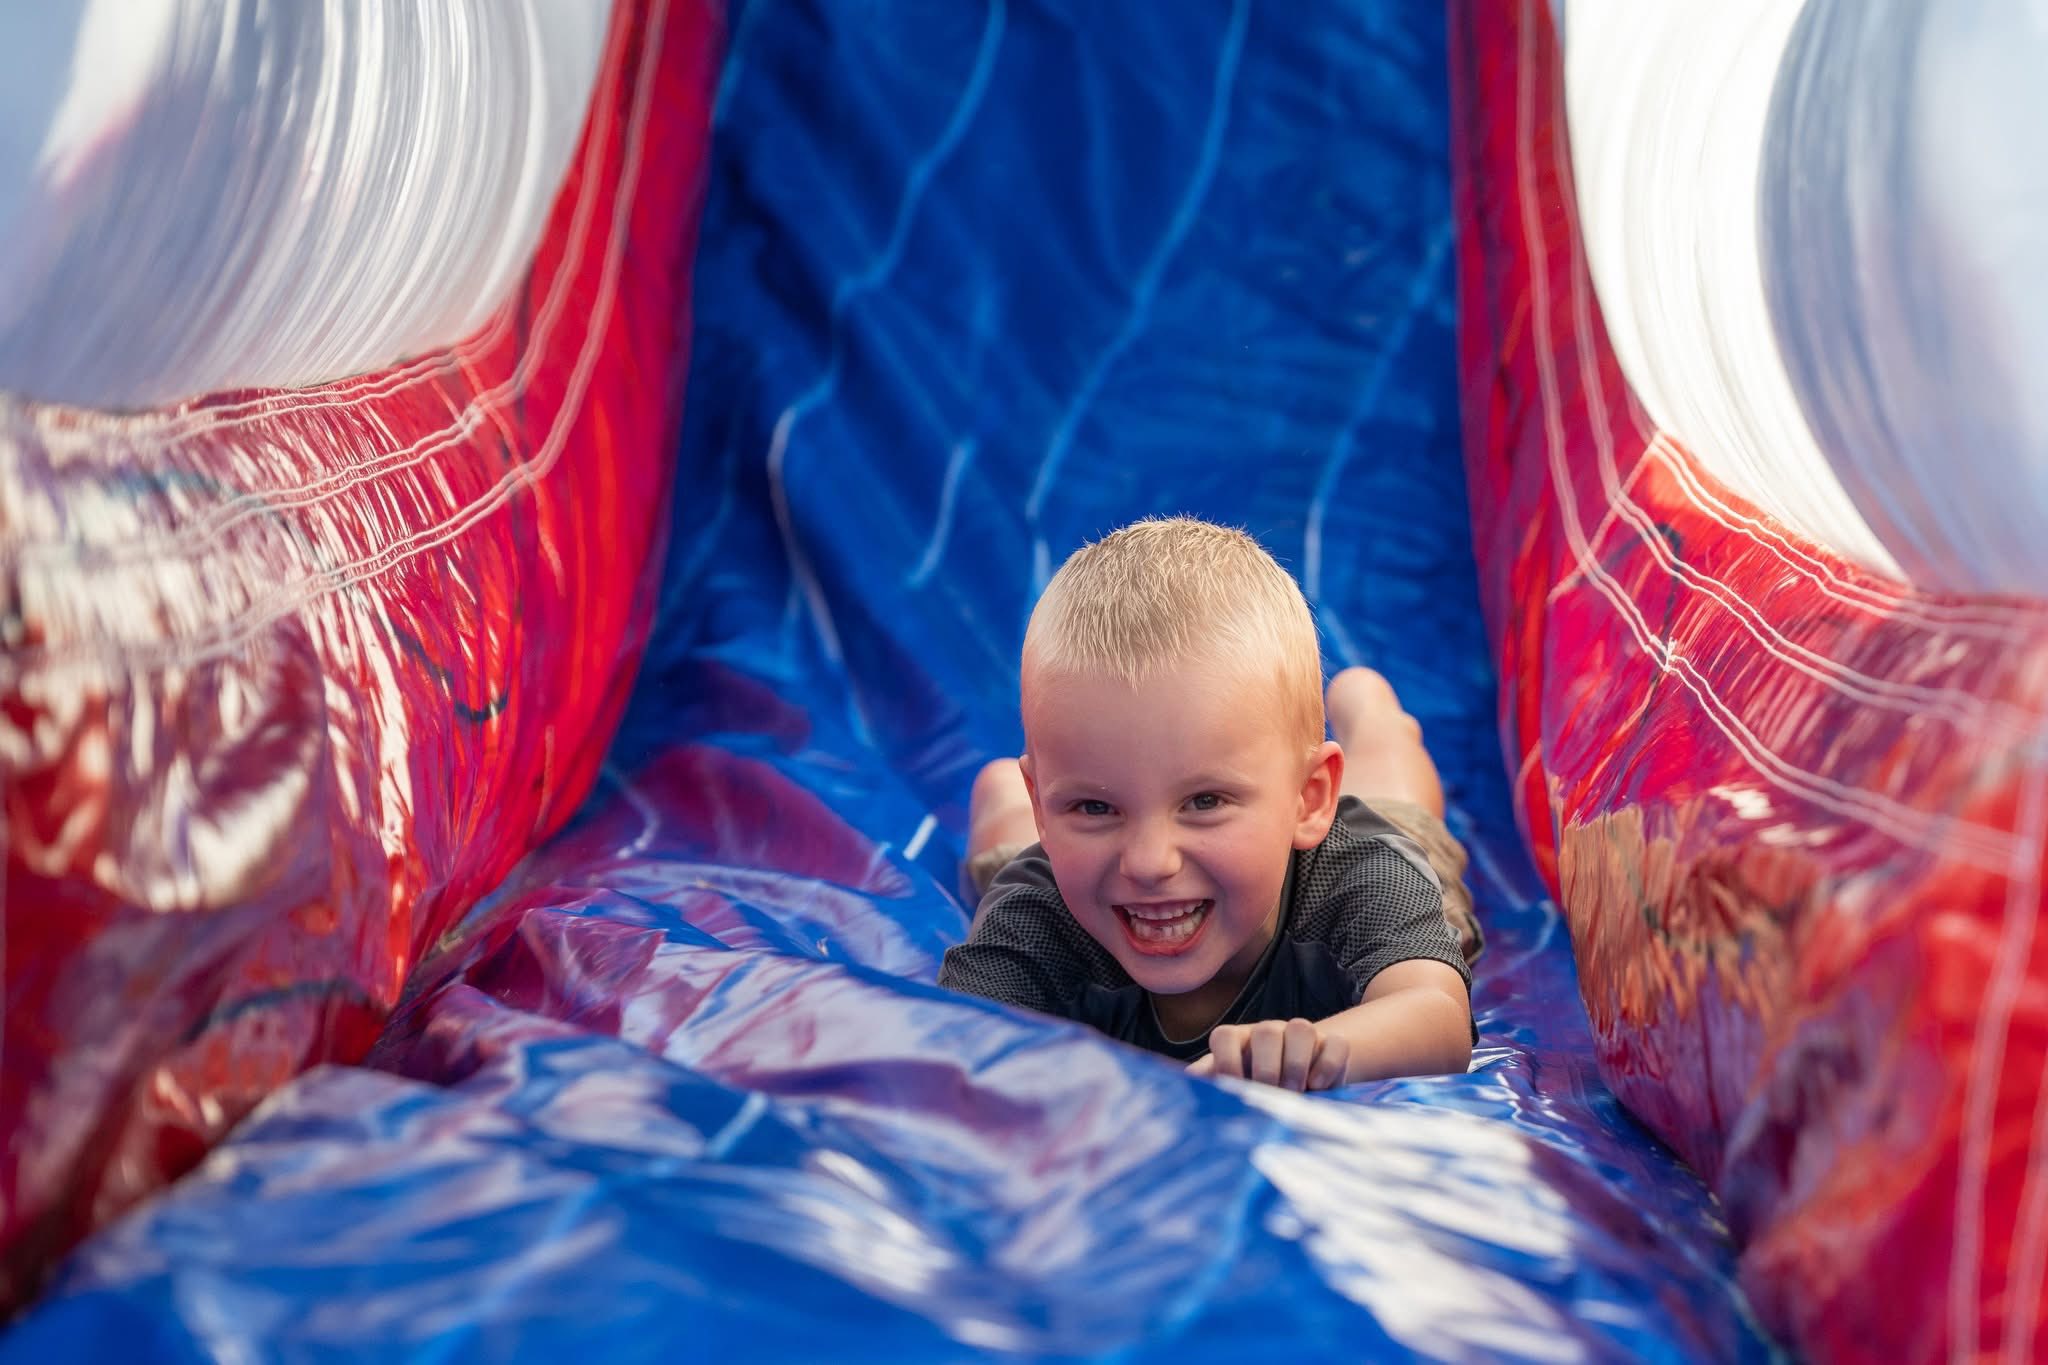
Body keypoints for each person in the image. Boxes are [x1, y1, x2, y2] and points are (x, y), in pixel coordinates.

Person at [938, 516, 1481, 1092]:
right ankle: (1008, 799)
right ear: (1044, 808)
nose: (1150, 862)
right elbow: (953, 1060)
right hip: (1062, 867)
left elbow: (1436, 1017)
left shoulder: (1363, 881)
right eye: (1094, 807)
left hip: (1356, 846)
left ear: (1309, 796)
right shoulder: (1038, 917)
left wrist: (1319, 1049)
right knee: (1007, 854)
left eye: (1204, 801)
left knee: (1398, 806)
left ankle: (1367, 708)